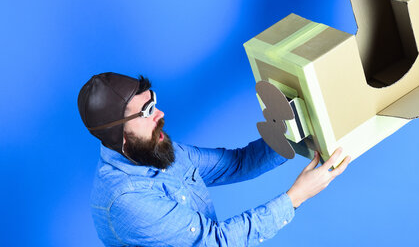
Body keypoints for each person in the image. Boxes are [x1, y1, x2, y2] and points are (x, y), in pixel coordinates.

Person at [78, 72, 351, 246]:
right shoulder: (126, 200)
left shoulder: (154, 149)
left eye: (154, 102)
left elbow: (237, 163)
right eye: (147, 111)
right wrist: (296, 197)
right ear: (119, 136)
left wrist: (295, 129)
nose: (160, 114)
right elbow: (215, 242)